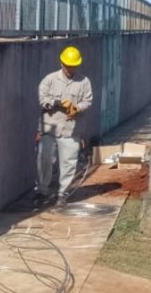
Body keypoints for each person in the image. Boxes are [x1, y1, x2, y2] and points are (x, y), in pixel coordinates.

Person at [35, 46, 93, 208]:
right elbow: (42, 100)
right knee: (44, 159)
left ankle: (62, 194)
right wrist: (57, 102)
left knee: (68, 162)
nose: (70, 69)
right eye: (67, 66)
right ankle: (41, 191)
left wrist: (77, 108)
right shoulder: (50, 80)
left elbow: (88, 101)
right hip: (50, 128)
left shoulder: (84, 82)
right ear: (61, 63)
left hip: (71, 129)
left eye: (73, 66)